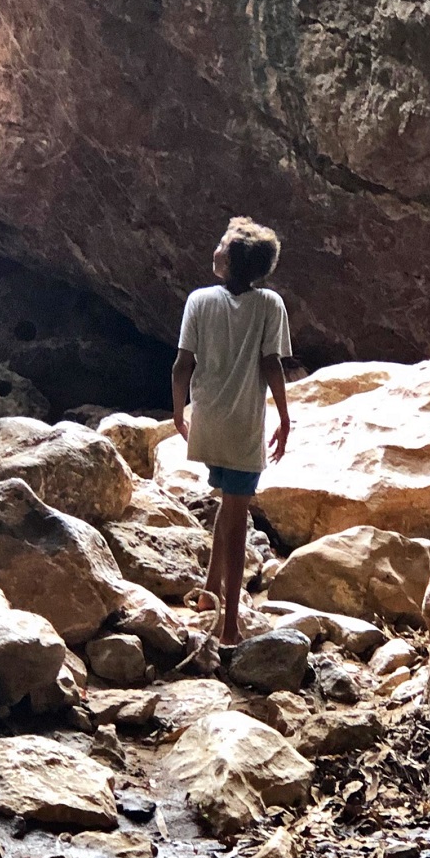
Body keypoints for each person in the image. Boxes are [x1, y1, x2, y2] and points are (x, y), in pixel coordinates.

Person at [171, 217, 291, 644]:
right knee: (238, 516)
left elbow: (182, 365)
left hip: (208, 422)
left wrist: (179, 413)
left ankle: (209, 591)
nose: (215, 249)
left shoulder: (198, 301)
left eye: (221, 244)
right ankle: (230, 624)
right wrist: (285, 416)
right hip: (242, 426)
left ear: (231, 260)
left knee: (228, 503)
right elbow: (271, 364)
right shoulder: (269, 306)